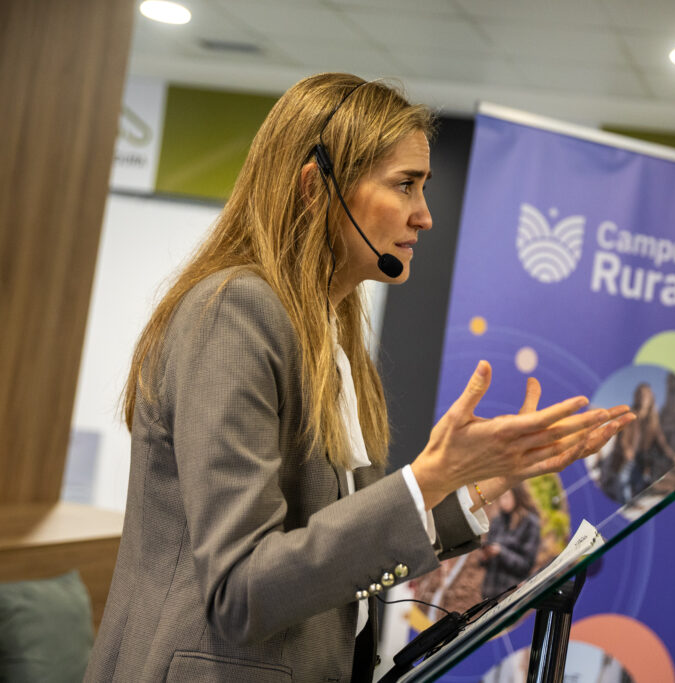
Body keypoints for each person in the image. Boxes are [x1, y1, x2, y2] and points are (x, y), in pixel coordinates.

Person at [84, 73, 633, 683]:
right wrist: (428, 478)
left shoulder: (332, 340)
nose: (425, 216)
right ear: (316, 187)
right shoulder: (236, 314)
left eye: (423, 187)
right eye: (405, 185)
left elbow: (328, 549)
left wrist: (479, 485)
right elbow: (242, 589)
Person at [599, 383, 675, 502]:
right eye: (640, 394)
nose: (643, 397)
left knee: (640, 485)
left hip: (641, 461)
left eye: (646, 395)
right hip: (625, 459)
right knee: (622, 482)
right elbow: (622, 437)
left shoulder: (653, 420)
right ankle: (625, 501)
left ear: (651, 398)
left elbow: (662, 443)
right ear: (636, 397)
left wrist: (673, 457)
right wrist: (626, 449)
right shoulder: (629, 415)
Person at [479, 485, 542, 599]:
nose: (502, 501)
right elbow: (483, 563)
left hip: (511, 594)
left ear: (517, 496)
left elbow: (526, 565)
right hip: (489, 593)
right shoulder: (497, 521)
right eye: (501, 497)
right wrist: (486, 556)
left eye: (506, 496)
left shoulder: (530, 524)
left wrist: (500, 552)